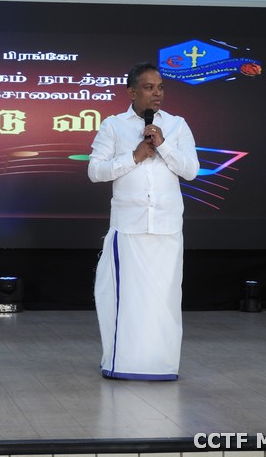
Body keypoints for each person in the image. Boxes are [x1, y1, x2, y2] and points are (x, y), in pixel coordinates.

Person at [88, 61, 200, 381]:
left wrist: (163, 145)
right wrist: (134, 157)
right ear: (132, 92)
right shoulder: (113, 126)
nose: (157, 93)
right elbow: (95, 171)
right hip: (130, 227)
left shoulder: (176, 126)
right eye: (149, 87)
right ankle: (122, 363)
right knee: (128, 301)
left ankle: (161, 365)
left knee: (164, 301)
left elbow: (191, 171)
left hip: (167, 227)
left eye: (160, 87)